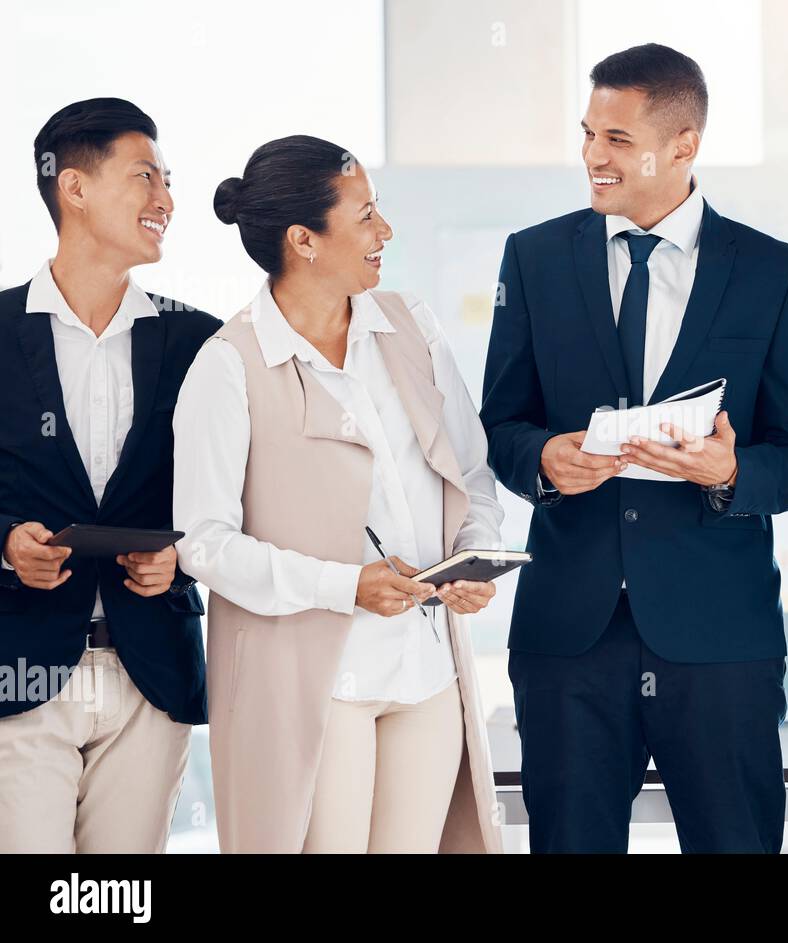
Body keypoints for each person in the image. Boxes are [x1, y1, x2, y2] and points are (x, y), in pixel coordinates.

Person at [480, 43, 788, 853]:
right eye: (587, 134)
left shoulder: (774, 271)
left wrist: (732, 471)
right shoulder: (533, 259)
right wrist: (542, 461)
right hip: (569, 636)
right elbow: (500, 427)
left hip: (720, 639)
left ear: (683, 145)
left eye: (616, 138)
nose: (593, 157)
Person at [173, 135, 504, 853]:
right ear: (305, 240)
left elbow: (471, 471)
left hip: (426, 669)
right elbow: (203, 542)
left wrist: (473, 553)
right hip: (316, 682)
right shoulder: (228, 365)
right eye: (364, 216)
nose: (385, 232)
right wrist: (343, 586)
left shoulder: (410, 323)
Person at [0, 98, 218, 852]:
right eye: (145, 176)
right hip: (19, 672)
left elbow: (230, 496)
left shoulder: (199, 340)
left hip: (148, 673)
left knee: (116, 902)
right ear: (75, 187)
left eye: (168, 180)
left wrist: (182, 557)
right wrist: (5, 543)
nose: (166, 200)